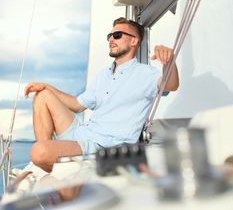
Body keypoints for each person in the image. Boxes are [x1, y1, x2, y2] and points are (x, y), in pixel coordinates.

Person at [24, 17, 179, 172]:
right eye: (109, 36)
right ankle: (48, 163)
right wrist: (46, 86)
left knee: (38, 151)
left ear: (134, 41)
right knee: (42, 95)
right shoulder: (103, 75)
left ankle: (48, 157)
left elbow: (171, 85)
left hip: (101, 146)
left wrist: (169, 61)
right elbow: (77, 105)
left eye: (117, 35)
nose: (111, 39)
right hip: (81, 133)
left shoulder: (145, 73)